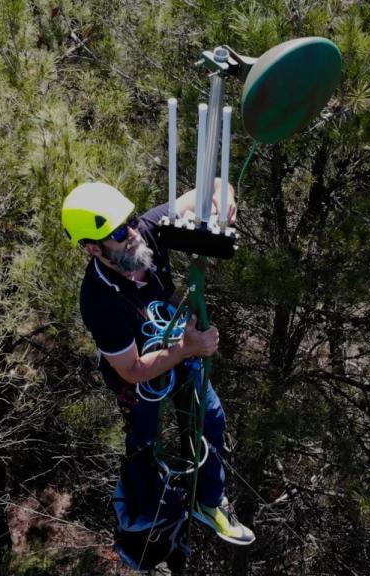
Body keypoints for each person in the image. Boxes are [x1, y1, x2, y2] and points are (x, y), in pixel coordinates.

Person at [61, 180, 255, 548]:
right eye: (119, 232)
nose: (133, 234)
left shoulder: (147, 232)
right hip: (140, 376)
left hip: (179, 344)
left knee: (210, 420)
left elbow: (212, 186)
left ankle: (208, 502)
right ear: (92, 248)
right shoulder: (98, 300)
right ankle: (153, 513)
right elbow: (131, 370)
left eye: (131, 221)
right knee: (146, 442)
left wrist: (224, 200)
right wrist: (186, 348)